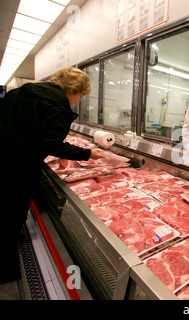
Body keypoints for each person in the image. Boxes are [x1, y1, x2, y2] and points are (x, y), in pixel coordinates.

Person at [0, 66, 104, 284]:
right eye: (80, 96)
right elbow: (51, 144)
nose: (78, 101)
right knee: (11, 216)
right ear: (73, 90)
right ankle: (7, 272)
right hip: (17, 170)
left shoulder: (20, 93)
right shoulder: (56, 106)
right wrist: (88, 153)